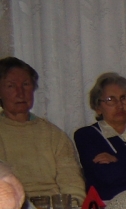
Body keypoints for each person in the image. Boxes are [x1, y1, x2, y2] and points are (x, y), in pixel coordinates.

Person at [0, 57, 85, 199]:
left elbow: (72, 183)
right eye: (11, 86)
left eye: (26, 84)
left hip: (54, 207)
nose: (20, 93)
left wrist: (72, 206)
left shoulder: (54, 135)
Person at [73, 73, 126, 201]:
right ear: (98, 107)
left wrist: (117, 160)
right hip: (108, 205)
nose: (119, 105)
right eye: (110, 100)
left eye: (124, 98)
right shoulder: (86, 135)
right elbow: (107, 176)